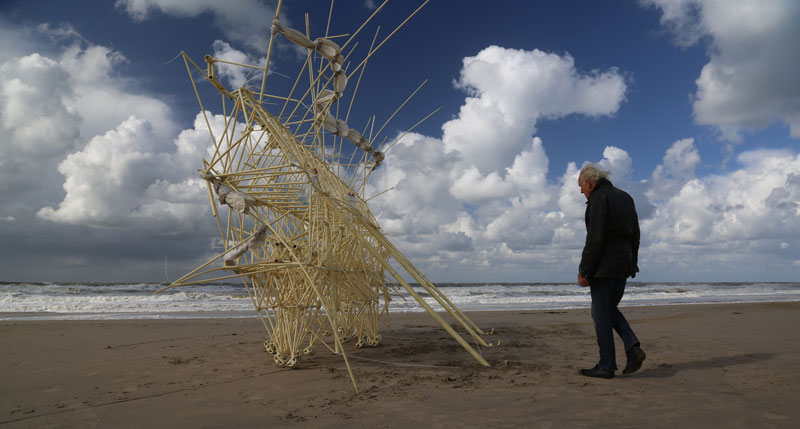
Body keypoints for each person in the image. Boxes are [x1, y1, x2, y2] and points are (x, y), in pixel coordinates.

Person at [577, 163, 646, 379]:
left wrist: (584, 270)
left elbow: (595, 238)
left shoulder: (598, 199)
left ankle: (607, 365)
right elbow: (636, 234)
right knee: (607, 309)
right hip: (622, 263)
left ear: (589, 182)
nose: (581, 191)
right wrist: (632, 263)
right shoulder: (625, 197)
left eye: (581, 186)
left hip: (604, 266)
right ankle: (632, 347)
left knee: (600, 315)